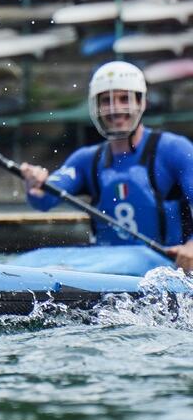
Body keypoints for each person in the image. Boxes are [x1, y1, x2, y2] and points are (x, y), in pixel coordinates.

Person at [20, 61, 193, 270]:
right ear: (96, 107)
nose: (115, 109)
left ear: (142, 103)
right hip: (106, 260)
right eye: (106, 101)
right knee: (30, 261)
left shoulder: (174, 149)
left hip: (163, 264)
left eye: (124, 99)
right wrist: (35, 184)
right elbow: (45, 200)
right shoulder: (87, 159)